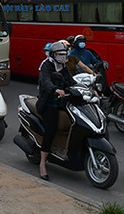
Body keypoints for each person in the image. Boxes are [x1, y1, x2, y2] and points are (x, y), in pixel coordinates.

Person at [37, 40, 76, 180]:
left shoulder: (63, 67)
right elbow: (45, 81)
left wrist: (85, 88)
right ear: (53, 54)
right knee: (50, 130)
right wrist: (55, 89)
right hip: (49, 102)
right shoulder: (46, 66)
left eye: (64, 54)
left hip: (62, 101)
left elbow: (71, 81)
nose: (62, 56)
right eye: (59, 54)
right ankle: (42, 163)